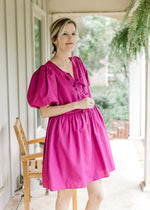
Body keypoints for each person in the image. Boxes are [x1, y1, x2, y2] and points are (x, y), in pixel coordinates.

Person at [27, 17, 115, 210]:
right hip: (66, 136)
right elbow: (45, 111)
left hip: (89, 132)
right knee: (66, 193)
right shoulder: (47, 72)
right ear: (54, 39)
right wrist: (77, 105)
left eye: (73, 33)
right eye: (64, 34)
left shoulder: (78, 63)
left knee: (98, 194)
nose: (70, 38)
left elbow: (86, 97)